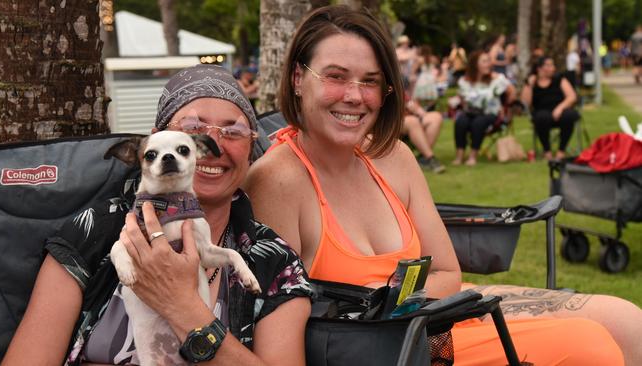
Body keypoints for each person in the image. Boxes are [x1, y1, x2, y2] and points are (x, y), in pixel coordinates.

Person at [244, 5, 641, 365]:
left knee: (629, 323)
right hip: (391, 348)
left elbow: (448, 272)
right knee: (591, 346)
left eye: (370, 81)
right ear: (298, 77)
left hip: (437, 315)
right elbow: (280, 330)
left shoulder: (392, 157)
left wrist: (386, 296)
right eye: (335, 77)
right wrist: (396, 298)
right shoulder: (277, 180)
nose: (354, 96)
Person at [2, 64, 312, 365]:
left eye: (234, 131)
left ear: (251, 148)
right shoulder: (94, 232)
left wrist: (182, 306)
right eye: (191, 128)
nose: (213, 143)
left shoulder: (273, 261)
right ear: (152, 144)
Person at [453, 50, 515, 166]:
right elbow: (462, 99)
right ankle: (459, 156)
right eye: (484, 61)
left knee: (478, 122)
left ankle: (473, 156)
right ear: (475, 64)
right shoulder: (465, 81)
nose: (489, 64)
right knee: (461, 121)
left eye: (488, 61)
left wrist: (505, 107)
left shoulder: (497, 79)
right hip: (471, 111)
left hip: (491, 114)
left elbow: (512, 92)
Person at [521, 56, 580, 161]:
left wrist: (560, 108)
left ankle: (561, 150)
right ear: (539, 69)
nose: (552, 68)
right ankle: (547, 151)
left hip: (560, 110)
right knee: (541, 117)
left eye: (552, 65)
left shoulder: (559, 79)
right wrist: (529, 84)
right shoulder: (533, 82)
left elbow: (572, 96)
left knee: (568, 116)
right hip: (542, 112)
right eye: (548, 65)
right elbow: (525, 103)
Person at [403, 97, 445, 173]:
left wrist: (416, 108)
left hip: (409, 115)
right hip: (392, 122)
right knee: (412, 121)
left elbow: (408, 100)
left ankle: (422, 158)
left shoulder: (399, 88)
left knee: (436, 117)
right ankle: (430, 158)